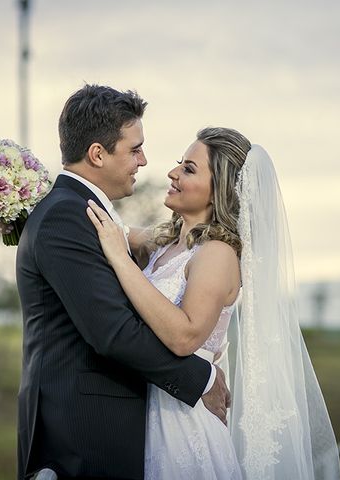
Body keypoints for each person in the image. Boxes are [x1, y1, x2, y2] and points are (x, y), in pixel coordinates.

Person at [87, 127, 340, 479]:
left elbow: (185, 335)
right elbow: (104, 224)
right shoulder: (166, 243)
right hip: (147, 406)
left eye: (189, 169)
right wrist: (25, 198)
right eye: (179, 164)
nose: (172, 173)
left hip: (180, 423)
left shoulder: (218, 254)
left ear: (217, 190)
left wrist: (120, 260)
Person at [15, 85, 230, 480]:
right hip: (83, 435)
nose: (145, 161)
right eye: (134, 149)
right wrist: (201, 379)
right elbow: (113, 332)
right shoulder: (68, 217)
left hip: (136, 429)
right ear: (98, 154)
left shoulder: (89, 215)